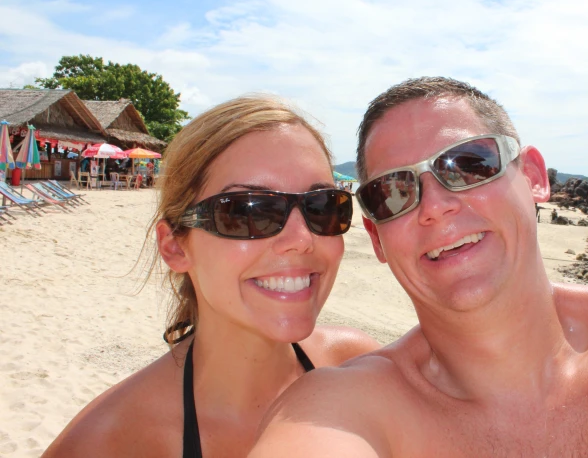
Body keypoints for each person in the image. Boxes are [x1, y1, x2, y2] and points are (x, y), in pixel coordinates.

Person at [252, 77, 588, 457]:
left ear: (532, 176)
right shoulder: (345, 405)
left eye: (469, 164)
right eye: (394, 192)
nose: (435, 205)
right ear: (378, 237)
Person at [43, 95, 379, 457]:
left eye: (322, 207)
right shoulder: (110, 440)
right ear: (175, 246)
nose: (301, 240)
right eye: (248, 212)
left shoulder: (360, 369)